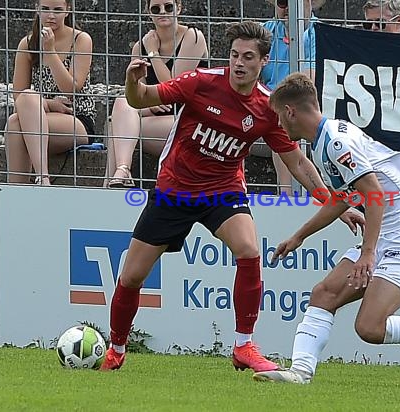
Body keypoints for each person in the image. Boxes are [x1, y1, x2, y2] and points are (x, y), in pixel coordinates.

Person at [100, 21, 362, 372]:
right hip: (174, 189)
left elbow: (297, 161)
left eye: (248, 57)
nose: (239, 62)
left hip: (223, 191)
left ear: (263, 61)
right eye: (235, 55)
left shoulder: (268, 108)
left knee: (249, 250)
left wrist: (336, 205)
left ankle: (243, 346)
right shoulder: (201, 83)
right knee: (132, 276)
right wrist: (134, 81)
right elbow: (141, 99)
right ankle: (116, 347)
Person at [252, 73, 400, 383]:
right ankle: (300, 372)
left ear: (290, 112)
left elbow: (374, 194)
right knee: (323, 294)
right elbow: (344, 197)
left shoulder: (336, 142)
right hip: (389, 235)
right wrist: (299, 236)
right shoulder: (326, 140)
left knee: (370, 328)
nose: (280, 125)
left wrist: (368, 252)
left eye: (279, 117)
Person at [105, 0, 209, 188]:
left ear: (179, 7)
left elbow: (174, 87)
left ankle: (109, 186)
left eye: (168, 6)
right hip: (158, 117)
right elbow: (135, 97)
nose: (163, 12)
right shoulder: (139, 47)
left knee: (117, 130)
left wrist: (153, 53)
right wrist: (150, 102)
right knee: (121, 104)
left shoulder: (193, 37)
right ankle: (122, 170)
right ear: (148, 12)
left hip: (189, 118)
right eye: (156, 8)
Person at [5, 0, 95, 185]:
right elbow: (18, 96)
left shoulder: (81, 39)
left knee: (17, 120)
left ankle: (41, 178)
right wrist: (48, 104)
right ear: (37, 9)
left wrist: (50, 51)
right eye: (45, 9)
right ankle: (19, 188)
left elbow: (71, 89)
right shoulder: (27, 43)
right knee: (15, 120)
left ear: (68, 10)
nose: (51, 16)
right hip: (38, 114)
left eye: (57, 10)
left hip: (75, 117)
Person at [250, 0, 325, 195]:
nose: (285, 9)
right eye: (281, 2)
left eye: (291, 3)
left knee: (285, 118)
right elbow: (245, 82)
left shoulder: (319, 34)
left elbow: (305, 88)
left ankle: (287, 197)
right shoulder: (265, 32)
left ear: (308, 3)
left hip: (300, 113)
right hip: (268, 110)